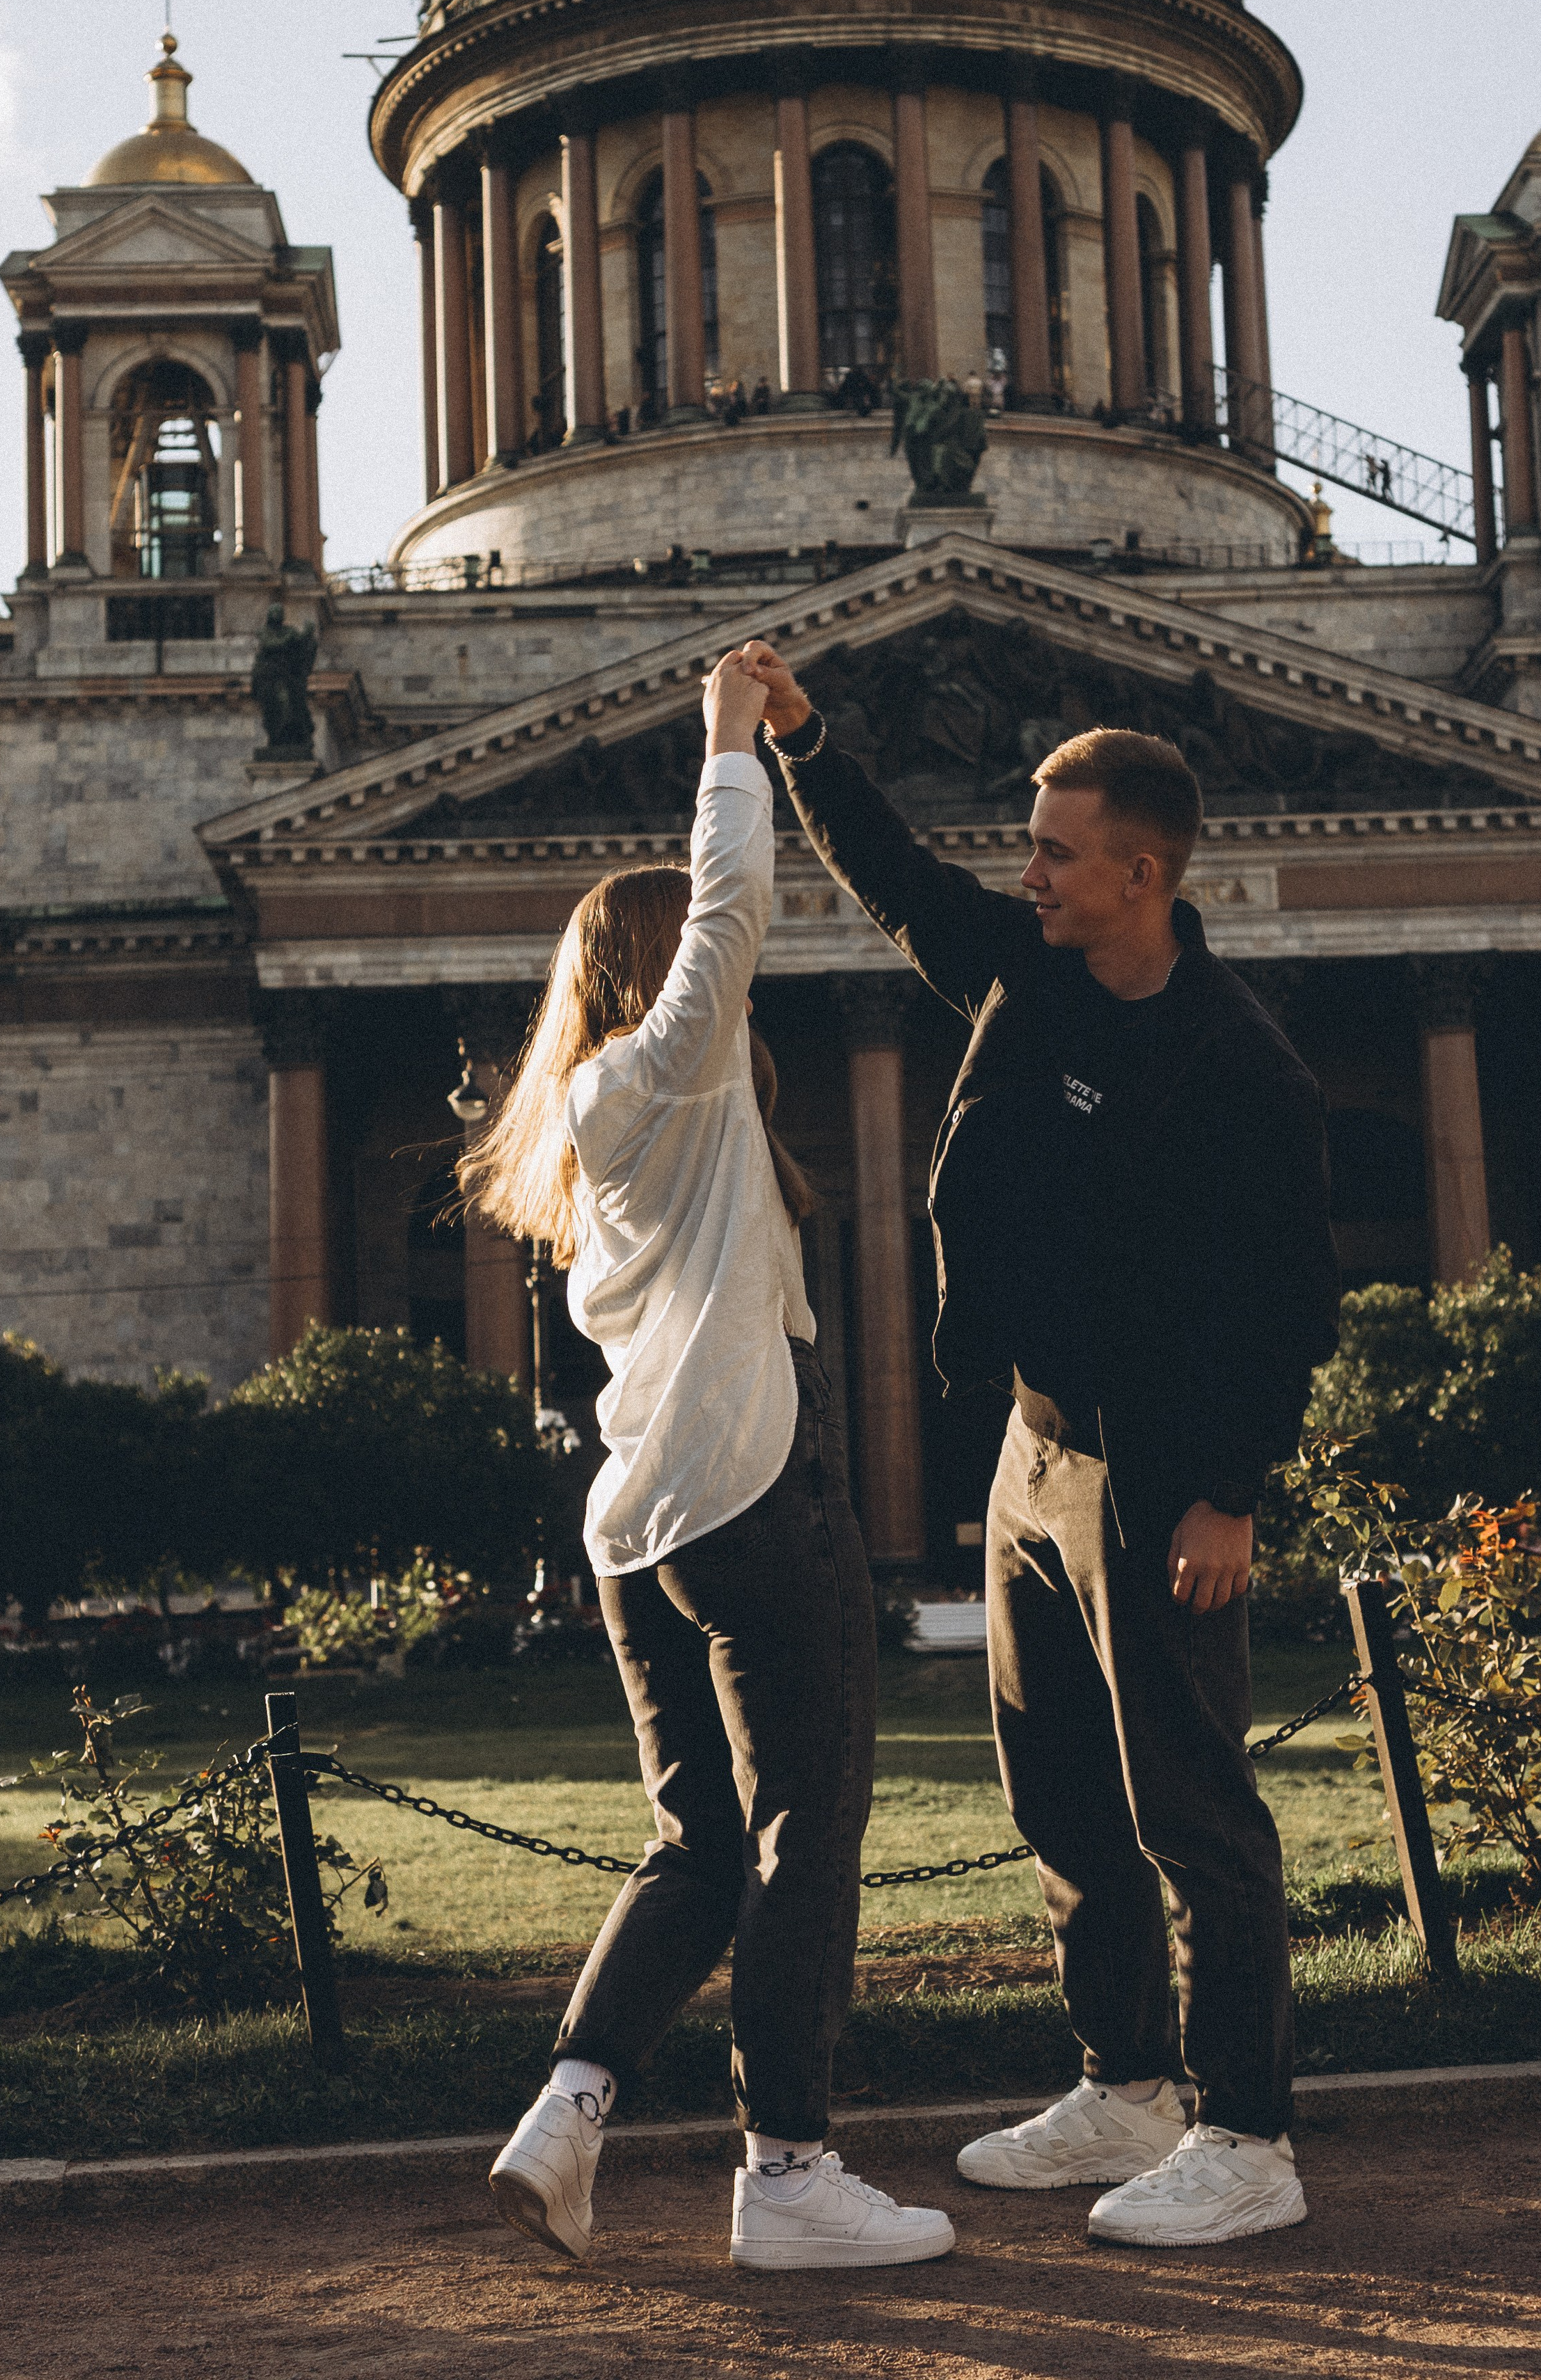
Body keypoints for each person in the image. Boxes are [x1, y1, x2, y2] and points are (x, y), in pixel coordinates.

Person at [741, 642, 1339, 2250]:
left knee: (1192, 1813)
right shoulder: (1028, 970)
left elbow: (1289, 1304)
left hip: (1160, 1478)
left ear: (1141, 875)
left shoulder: (1241, 1065)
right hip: (1035, 1452)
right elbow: (896, 881)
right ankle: (1124, 2087)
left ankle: (1246, 2135)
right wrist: (802, 742)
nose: (1028, 874)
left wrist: (1227, 1494)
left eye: (1056, 853)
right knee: (1060, 1795)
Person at [464, 651, 954, 2276]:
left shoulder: (598, 1113)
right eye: (693, 963)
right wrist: (731, 747)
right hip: (753, 1486)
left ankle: (565, 2118)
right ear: (657, 973)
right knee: (808, 1829)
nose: (727, 982)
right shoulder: (666, 1071)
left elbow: (720, 941)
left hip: (638, 1521)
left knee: (695, 1844)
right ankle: (788, 2173)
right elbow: (733, 913)